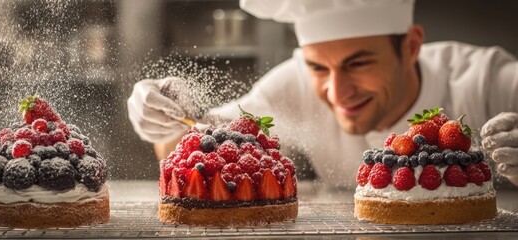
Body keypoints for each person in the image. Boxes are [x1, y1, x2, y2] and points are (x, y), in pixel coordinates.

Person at [127, 0, 518, 187]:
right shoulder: (290, 87)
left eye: (359, 63)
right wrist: (163, 116)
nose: (337, 90)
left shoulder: (485, 81)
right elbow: (192, 142)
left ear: (411, 46)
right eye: (317, 67)